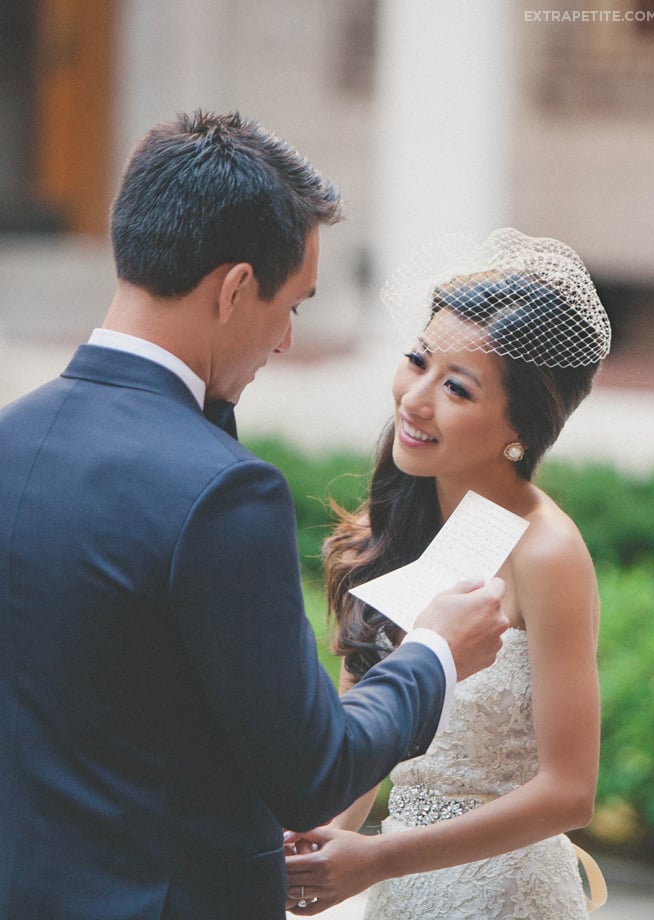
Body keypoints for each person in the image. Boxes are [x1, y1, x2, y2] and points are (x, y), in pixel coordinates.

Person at [0, 112, 509, 920]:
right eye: (294, 304)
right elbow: (312, 768)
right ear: (236, 287)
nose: (283, 340)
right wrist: (438, 652)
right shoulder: (223, 492)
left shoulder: (11, 435)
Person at [284, 228, 611, 918]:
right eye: (416, 361)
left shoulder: (543, 551)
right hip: (400, 895)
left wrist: (377, 857)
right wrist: (322, 843)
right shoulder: (393, 525)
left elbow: (570, 790)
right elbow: (362, 730)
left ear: (518, 426)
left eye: (456, 388)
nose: (415, 398)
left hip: (507, 897)